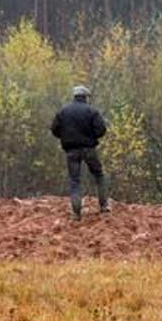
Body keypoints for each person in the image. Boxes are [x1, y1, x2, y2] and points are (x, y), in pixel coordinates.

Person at [51, 85, 108, 221]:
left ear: (74, 96)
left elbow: (54, 129)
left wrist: (66, 137)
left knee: (75, 181)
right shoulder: (91, 111)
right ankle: (103, 205)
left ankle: (76, 213)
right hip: (89, 149)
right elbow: (102, 129)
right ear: (85, 97)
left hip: (71, 150)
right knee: (99, 175)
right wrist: (92, 137)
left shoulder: (63, 111)